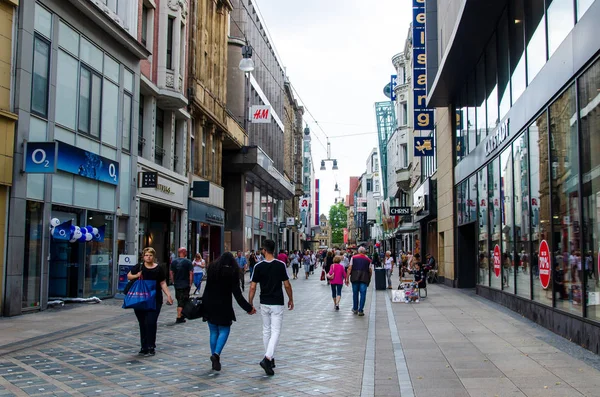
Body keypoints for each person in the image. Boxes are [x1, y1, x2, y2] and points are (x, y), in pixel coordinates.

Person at [202, 252, 256, 371]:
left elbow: (207, 287)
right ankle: (216, 355)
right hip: (223, 304)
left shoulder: (212, 268)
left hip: (209, 302)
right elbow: (237, 295)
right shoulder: (232, 272)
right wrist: (249, 308)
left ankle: (214, 357)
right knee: (224, 329)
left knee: (213, 331)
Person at [249, 239, 294, 376]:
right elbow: (286, 285)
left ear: (264, 250)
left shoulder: (258, 266)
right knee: (275, 331)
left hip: (264, 302)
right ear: (273, 250)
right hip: (277, 302)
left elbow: (252, 286)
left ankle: (270, 357)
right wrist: (291, 298)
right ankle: (267, 358)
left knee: (266, 330)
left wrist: (250, 302)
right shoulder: (280, 265)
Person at [127, 247, 174, 356]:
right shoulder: (139, 267)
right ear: (143, 256)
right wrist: (137, 275)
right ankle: (144, 346)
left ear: (154, 256)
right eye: (147, 255)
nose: (148, 257)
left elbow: (163, 283)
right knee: (142, 323)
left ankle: (151, 346)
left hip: (155, 299)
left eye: (150, 255)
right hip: (140, 299)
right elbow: (129, 276)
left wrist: (168, 295)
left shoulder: (158, 269)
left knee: (151, 322)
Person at [346, 247, 372, 316]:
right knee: (363, 294)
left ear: (358, 251)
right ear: (364, 252)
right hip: (364, 277)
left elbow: (349, 268)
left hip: (355, 277)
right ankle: (361, 310)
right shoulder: (368, 259)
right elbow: (370, 271)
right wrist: (369, 279)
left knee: (355, 293)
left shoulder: (353, 258)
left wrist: (347, 278)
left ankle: (355, 308)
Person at [170, 247, 193, 324]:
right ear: (183, 252)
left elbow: (171, 273)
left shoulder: (174, 262)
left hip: (177, 283)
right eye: (186, 251)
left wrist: (173, 281)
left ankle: (182, 315)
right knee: (183, 300)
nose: (186, 252)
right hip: (185, 283)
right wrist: (190, 283)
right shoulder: (188, 262)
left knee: (179, 298)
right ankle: (179, 316)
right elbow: (191, 273)